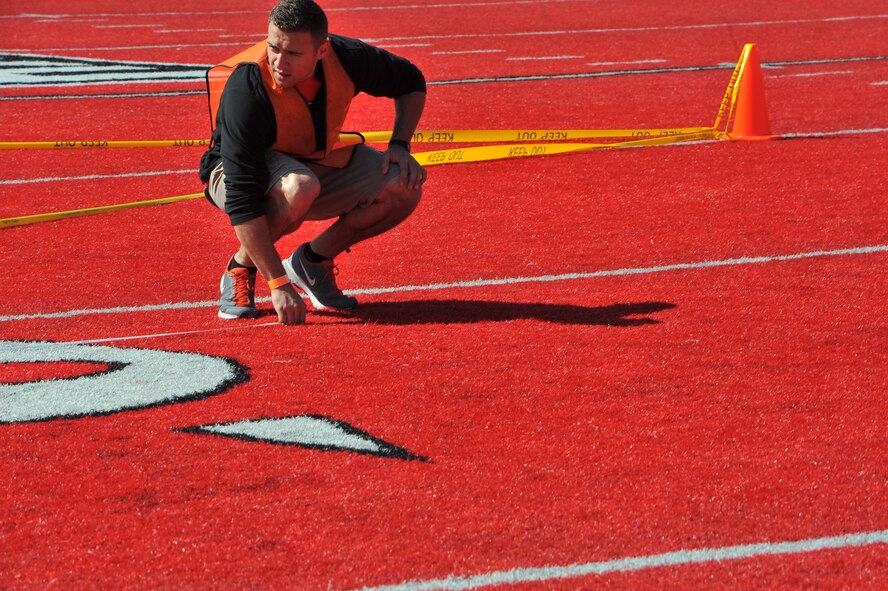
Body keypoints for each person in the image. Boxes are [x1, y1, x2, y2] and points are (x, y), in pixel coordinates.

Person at [199, 0, 426, 325]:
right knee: (299, 188)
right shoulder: (246, 89)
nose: (279, 61)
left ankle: (312, 261)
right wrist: (277, 283)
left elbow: (410, 81)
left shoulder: (347, 57)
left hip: (310, 159)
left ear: (322, 51)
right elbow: (242, 197)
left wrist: (401, 145)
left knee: (404, 185)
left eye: (293, 53)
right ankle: (240, 268)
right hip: (235, 172)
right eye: (274, 47)